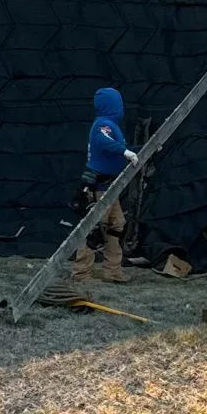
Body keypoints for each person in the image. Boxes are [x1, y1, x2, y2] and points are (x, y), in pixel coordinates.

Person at [70, 85, 139, 285]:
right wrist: (125, 153)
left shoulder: (111, 126)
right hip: (97, 188)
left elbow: (119, 148)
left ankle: (112, 270)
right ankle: (81, 273)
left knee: (116, 226)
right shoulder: (102, 125)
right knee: (92, 229)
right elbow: (104, 142)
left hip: (110, 188)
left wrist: (141, 150)